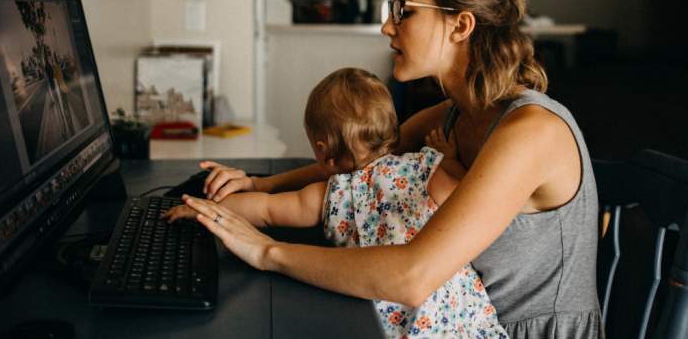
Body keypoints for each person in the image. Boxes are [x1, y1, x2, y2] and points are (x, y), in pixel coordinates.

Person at [180, 0, 603, 338]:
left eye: (403, 9)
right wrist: (259, 185)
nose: (387, 25)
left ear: (460, 25)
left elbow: (412, 276)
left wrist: (266, 252)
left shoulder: (530, 133)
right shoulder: (453, 114)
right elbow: (363, 164)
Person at [164, 68, 507, 339]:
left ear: (323, 150)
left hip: (384, 322)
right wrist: (447, 157)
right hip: (457, 318)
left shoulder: (331, 194)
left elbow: (265, 210)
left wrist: (203, 209)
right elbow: (461, 189)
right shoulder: (428, 168)